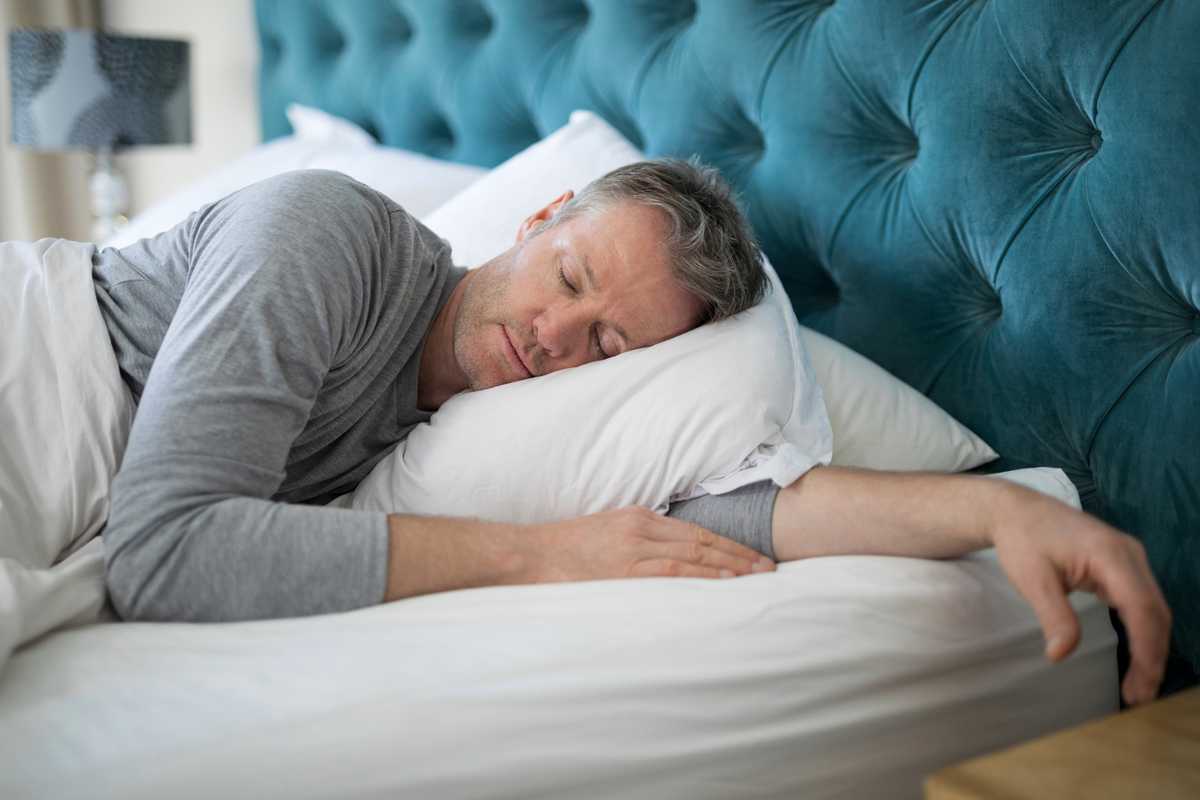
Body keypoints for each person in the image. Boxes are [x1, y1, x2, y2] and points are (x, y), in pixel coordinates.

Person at [95, 160, 1170, 707]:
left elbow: (739, 511)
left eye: (609, 342)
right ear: (537, 217)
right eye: (567, 276)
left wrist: (997, 504)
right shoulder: (327, 235)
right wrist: (540, 556)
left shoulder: (465, 432)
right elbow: (165, 551)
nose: (554, 337)